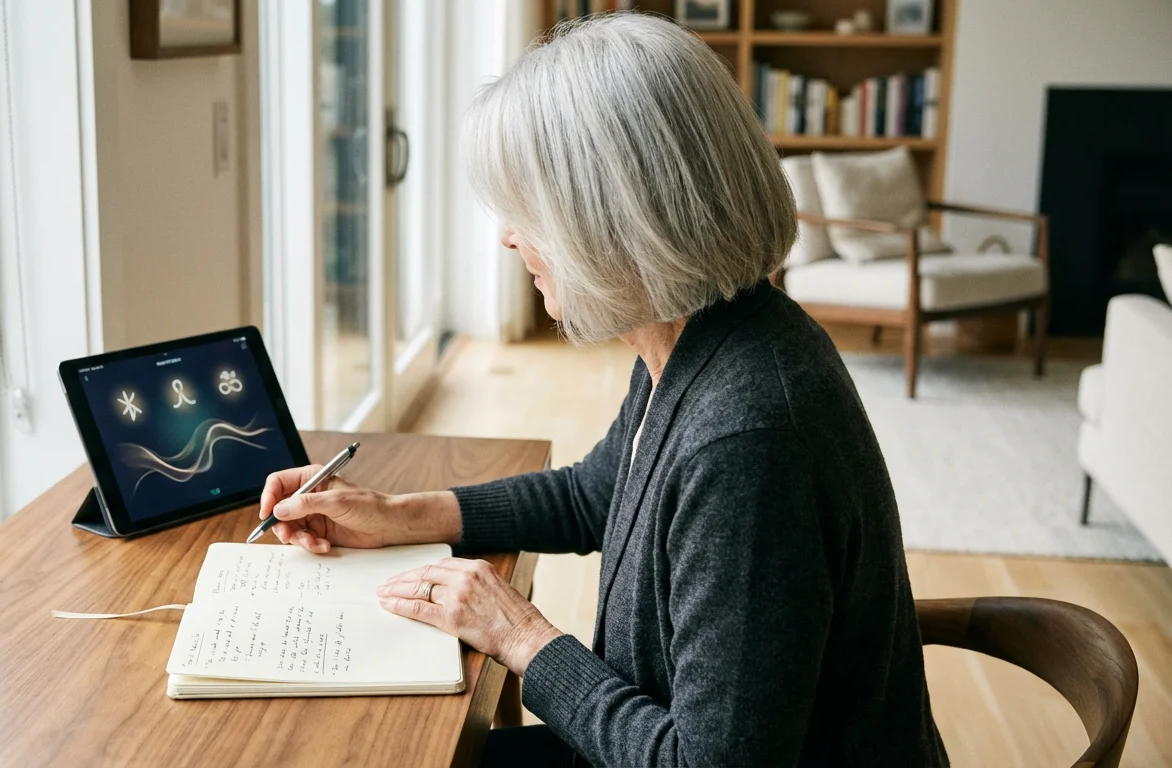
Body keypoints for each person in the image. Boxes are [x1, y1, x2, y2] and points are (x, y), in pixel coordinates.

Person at [258, 12, 947, 767]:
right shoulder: (700, 331)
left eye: (527, 209)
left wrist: (522, 635)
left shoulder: (749, 440)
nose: (508, 237)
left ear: (610, 219)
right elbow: (600, 492)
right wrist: (396, 515)